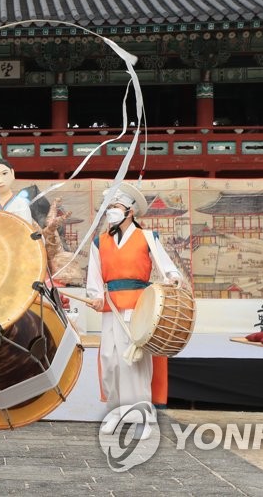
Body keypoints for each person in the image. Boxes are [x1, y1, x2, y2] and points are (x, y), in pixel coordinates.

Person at [84, 184, 182, 430]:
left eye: (115, 207)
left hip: (140, 304)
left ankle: (143, 414)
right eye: (108, 208)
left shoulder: (147, 237)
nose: (110, 212)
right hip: (111, 305)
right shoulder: (100, 241)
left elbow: (167, 265)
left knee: (134, 360)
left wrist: (173, 277)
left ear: (130, 211)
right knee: (110, 358)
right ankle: (116, 411)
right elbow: (95, 274)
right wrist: (95, 295)